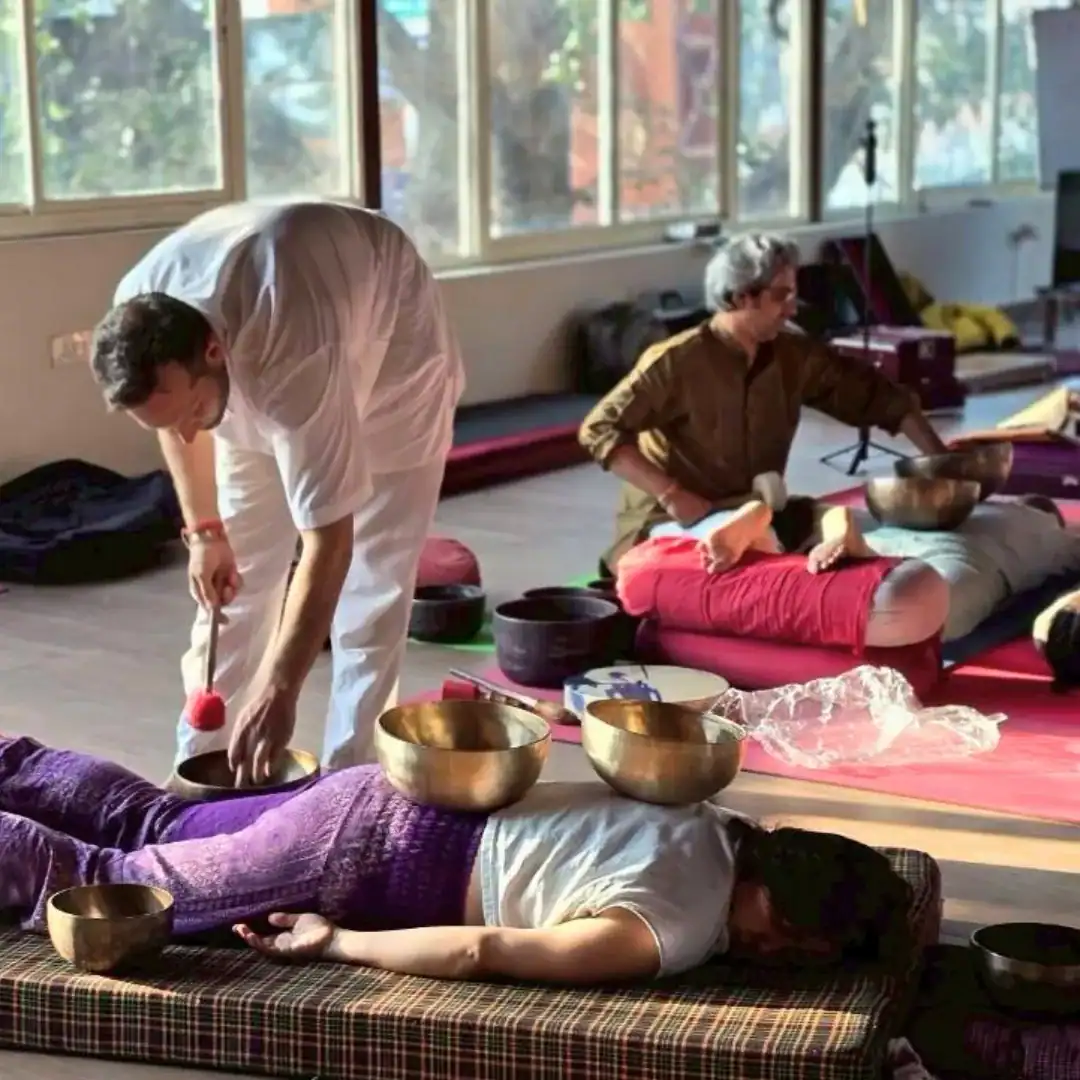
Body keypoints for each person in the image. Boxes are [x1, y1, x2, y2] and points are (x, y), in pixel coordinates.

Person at [0, 735, 913, 985]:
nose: (773, 953)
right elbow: (485, 950)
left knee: (154, 817)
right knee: (105, 884)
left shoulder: (717, 818)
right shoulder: (669, 929)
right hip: (363, 855)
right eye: (784, 932)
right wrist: (336, 942)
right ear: (777, 882)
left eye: (800, 960)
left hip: (390, 791)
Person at [88, 199, 464, 782]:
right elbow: (175, 421)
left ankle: (348, 782)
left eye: (190, 413)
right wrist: (204, 532)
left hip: (393, 360)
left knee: (372, 588)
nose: (185, 434)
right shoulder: (140, 308)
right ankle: (198, 766)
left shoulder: (293, 351)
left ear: (213, 352)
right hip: (257, 355)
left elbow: (328, 543)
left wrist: (280, 689)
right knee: (235, 582)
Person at [577, 233, 949, 572]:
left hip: (749, 513)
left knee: (836, 521)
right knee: (757, 544)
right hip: (670, 522)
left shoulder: (792, 354)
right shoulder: (677, 361)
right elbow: (599, 429)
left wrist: (942, 462)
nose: (792, 308)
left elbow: (877, 395)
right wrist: (672, 495)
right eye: (780, 296)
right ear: (742, 296)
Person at [821, 495, 1080, 642]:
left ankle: (852, 558)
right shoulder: (1061, 537)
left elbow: (837, 513)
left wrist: (840, 530)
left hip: (893, 537)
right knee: (916, 612)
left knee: (909, 605)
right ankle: (860, 571)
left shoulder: (976, 504)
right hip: (965, 560)